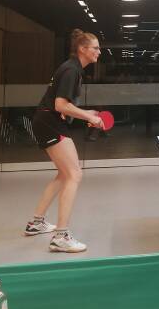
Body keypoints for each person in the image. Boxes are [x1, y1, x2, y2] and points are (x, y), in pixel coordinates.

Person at [24, 29, 103, 252]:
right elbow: (60, 105)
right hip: (50, 123)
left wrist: (86, 113)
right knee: (74, 174)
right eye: (96, 47)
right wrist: (89, 117)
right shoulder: (71, 70)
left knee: (64, 174)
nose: (99, 51)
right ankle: (61, 237)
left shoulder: (73, 68)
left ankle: (36, 223)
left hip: (47, 121)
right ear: (82, 49)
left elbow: (63, 105)